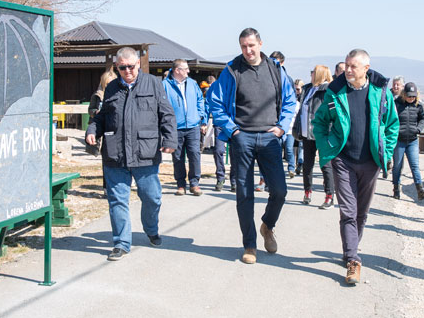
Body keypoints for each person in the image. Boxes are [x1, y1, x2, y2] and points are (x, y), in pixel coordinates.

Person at [207, 28, 296, 264]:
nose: (248, 50)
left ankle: (267, 225)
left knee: (280, 191)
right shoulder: (232, 70)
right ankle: (249, 245)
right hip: (242, 138)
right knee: (245, 194)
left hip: (270, 138)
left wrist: (281, 127)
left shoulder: (275, 69)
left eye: (251, 45)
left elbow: (290, 100)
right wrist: (233, 131)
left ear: (260, 44)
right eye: (244, 46)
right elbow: (214, 102)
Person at [313, 49, 399, 286]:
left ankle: (350, 249)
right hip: (343, 161)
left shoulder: (381, 92)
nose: (348, 70)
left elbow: (392, 125)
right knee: (348, 211)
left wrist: (386, 152)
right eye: (347, 65)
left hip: (371, 162)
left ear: (366, 69)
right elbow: (319, 122)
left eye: (353, 66)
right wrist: (327, 147)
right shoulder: (336, 92)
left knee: (362, 212)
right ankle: (353, 259)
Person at [85, 48, 177, 260]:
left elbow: (166, 114)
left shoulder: (153, 83)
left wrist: (170, 140)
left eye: (131, 67)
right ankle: (121, 243)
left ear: (138, 64)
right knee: (117, 201)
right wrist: (92, 130)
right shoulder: (111, 88)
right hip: (115, 153)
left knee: (152, 197)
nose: (127, 71)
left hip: (145, 153)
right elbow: (102, 116)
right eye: (122, 67)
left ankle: (151, 229)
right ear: (117, 67)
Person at [163, 58, 207, 196]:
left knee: (195, 155)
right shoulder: (165, 85)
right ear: (177, 70)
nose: (188, 71)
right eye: (185, 68)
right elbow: (162, 105)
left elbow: (200, 100)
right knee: (177, 157)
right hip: (175, 127)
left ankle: (194, 184)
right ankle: (181, 185)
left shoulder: (192, 83)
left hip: (193, 126)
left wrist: (201, 116)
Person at [298, 65, 336, 208]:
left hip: (322, 134)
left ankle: (329, 196)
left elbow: (331, 113)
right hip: (306, 133)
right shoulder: (308, 89)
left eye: (313, 72)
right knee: (307, 165)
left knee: (326, 165)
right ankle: (307, 192)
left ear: (320, 74)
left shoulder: (328, 90)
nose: (311, 74)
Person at [393, 82, 424, 201]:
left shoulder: (418, 106)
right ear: (404, 94)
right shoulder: (397, 104)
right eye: (409, 96)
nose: (411, 98)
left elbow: (422, 119)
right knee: (397, 166)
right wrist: (396, 131)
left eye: (413, 96)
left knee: (415, 166)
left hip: (412, 140)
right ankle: (396, 187)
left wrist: (418, 129)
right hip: (399, 141)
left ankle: (420, 189)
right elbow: (391, 119)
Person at [269, 51, 298, 179]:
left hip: (281, 122)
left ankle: (287, 170)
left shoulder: (287, 79)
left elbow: (291, 103)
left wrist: (284, 124)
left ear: (282, 63)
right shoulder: (265, 75)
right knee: (269, 153)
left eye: (277, 62)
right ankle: (266, 179)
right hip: (267, 120)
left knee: (285, 149)